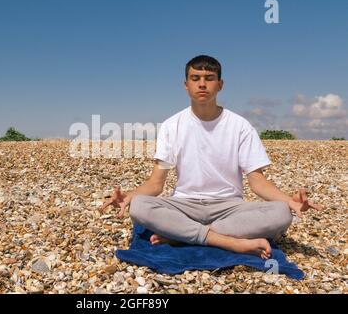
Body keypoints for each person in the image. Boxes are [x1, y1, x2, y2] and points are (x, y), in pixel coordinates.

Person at [100, 55, 324, 259]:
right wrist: (130, 196)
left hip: (229, 207)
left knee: (281, 214)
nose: (202, 84)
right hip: (184, 205)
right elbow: (156, 184)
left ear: (220, 84)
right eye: (195, 78)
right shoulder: (171, 125)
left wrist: (289, 201)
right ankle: (226, 241)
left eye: (209, 78)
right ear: (186, 85)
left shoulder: (240, 126)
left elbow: (257, 181)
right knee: (139, 207)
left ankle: (181, 236)